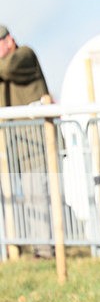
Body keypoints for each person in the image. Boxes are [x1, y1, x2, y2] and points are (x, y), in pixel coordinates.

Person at [0, 25, 53, 258]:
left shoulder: (25, 56)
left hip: (35, 143)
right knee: (13, 200)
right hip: (10, 148)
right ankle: (15, 249)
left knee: (36, 196)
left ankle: (44, 251)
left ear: (9, 40)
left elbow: (9, 68)